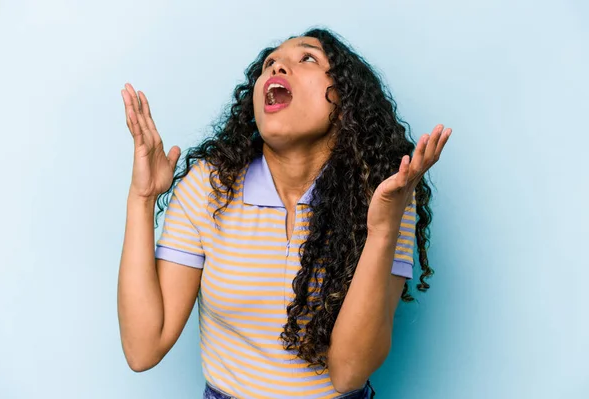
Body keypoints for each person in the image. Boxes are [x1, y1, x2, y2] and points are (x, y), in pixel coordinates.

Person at [117, 28, 451, 399]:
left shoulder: (385, 194)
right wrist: (141, 198)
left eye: (307, 58)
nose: (277, 66)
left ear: (345, 100)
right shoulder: (207, 187)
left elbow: (348, 373)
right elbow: (143, 349)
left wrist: (383, 231)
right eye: (269, 63)